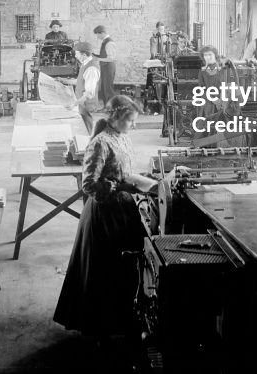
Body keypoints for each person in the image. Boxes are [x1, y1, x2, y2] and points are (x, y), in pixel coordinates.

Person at [53, 95, 174, 338]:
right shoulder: (100, 142)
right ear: (117, 117)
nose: (134, 125)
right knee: (105, 267)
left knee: (124, 265)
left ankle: (121, 318)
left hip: (122, 208)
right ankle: (102, 324)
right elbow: (89, 185)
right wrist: (120, 188)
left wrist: (142, 182)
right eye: (130, 121)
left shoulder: (122, 137)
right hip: (105, 214)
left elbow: (123, 172)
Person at [72, 41, 102, 135]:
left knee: (86, 130)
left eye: (77, 54)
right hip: (82, 104)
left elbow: (89, 93)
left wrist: (73, 104)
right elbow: (81, 81)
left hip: (86, 105)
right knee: (84, 129)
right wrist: (64, 81)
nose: (75, 56)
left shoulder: (91, 69)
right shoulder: (85, 64)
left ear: (84, 54)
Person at [93, 25, 117, 103]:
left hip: (109, 67)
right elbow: (104, 55)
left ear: (102, 33)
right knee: (104, 87)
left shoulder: (109, 43)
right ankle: (106, 106)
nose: (97, 36)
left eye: (97, 34)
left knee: (108, 88)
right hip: (105, 66)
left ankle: (111, 107)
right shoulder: (105, 42)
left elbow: (111, 58)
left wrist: (98, 58)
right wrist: (93, 54)